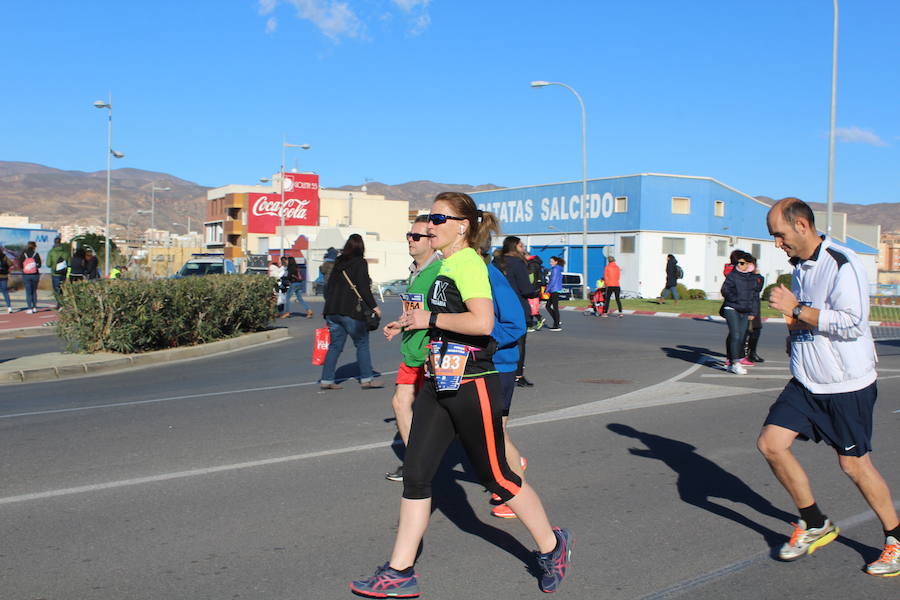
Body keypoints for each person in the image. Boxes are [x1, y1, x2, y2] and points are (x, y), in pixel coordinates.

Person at [350, 192, 573, 598]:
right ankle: (399, 572)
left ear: (462, 225)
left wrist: (429, 317)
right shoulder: (445, 265)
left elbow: (482, 321)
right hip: (439, 382)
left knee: (497, 476)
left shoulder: (468, 263)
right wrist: (412, 323)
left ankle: (553, 546)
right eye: (428, 218)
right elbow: (442, 320)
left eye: (438, 218)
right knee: (416, 474)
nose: (429, 225)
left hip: (472, 383)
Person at [757, 198, 899, 576]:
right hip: (807, 380)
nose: (777, 244)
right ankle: (815, 522)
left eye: (780, 235)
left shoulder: (841, 261)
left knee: (854, 466)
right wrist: (796, 327)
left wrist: (796, 309)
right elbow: (812, 316)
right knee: (771, 444)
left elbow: (852, 323)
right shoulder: (800, 266)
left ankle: (896, 539)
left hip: (845, 385)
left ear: (802, 225)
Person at [382, 215, 442, 482]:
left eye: (416, 236)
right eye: (409, 235)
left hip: (430, 354)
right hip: (411, 352)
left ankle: (501, 456)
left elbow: (444, 312)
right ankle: (415, 463)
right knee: (400, 403)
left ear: (432, 241)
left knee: (453, 416)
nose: (410, 239)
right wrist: (400, 325)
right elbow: (415, 310)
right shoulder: (415, 271)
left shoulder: (439, 271)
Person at [480, 236, 528, 519]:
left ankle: (514, 491)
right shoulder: (465, 272)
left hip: (498, 365)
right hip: (481, 363)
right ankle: (511, 470)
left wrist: (489, 342)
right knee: (494, 432)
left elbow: (515, 323)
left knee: (494, 433)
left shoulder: (490, 275)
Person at [319, 234, 382, 390]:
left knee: (335, 346)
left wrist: (329, 306)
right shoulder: (360, 263)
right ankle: (367, 379)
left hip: (332, 311)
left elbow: (328, 287)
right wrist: (374, 306)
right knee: (362, 343)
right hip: (351, 310)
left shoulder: (338, 263)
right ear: (361, 247)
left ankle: (326, 380)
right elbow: (363, 287)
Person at [492, 236, 537, 388]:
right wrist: (534, 291)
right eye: (522, 245)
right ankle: (518, 375)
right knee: (519, 343)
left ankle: (495, 370)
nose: (523, 248)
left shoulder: (496, 262)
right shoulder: (518, 263)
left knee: (498, 340)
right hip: (517, 307)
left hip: (496, 307)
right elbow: (526, 289)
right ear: (516, 246)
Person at [720, 251, 757, 375]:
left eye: (743, 263)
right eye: (739, 263)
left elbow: (754, 296)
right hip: (732, 308)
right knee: (735, 335)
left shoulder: (752, 278)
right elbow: (725, 290)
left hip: (745, 310)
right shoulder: (733, 275)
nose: (740, 265)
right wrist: (735, 299)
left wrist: (753, 311)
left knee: (741, 337)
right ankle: (735, 363)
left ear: (749, 264)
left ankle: (730, 361)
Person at [743, 254, 765, 363]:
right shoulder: (742, 275)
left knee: (756, 330)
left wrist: (757, 275)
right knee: (745, 331)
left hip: (755, 306)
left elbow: (759, 287)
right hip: (745, 305)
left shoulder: (758, 277)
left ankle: (752, 353)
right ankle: (742, 353)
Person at [18, 241, 41, 314]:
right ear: (34, 247)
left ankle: (29, 308)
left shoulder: (23, 254)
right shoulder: (36, 254)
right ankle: (34, 307)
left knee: (28, 292)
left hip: (26, 275)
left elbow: (20, 265)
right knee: (34, 291)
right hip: (35, 274)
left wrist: (25, 268)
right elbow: (39, 265)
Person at [46, 237, 69, 308]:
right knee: (62, 288)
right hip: (63, 273)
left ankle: (59, 303)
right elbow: (69, 263)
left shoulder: (51, 252)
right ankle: (61, 302)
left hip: (55, 273)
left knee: (56, 289)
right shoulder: (66, 253)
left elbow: (48, 264)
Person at [544, 256, 564, 331]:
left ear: (556, 262)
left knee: (554, 307)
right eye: (550, 261)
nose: (550, 263)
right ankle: (557, 320)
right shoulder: (557, 269)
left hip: (554, 290)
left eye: (552, 261)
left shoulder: (555, 269)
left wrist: (547, 290)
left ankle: (557, 325)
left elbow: (553, 281)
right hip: (555, 289)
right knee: (548, 306)